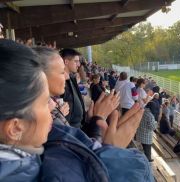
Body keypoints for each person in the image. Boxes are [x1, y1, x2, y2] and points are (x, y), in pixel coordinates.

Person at [0, 42, 153, 182]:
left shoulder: (36, 146)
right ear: (15, 128)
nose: (53, 106)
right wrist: (104, 144)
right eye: (46, 101)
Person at [60, 48, 86, 128]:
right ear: (66, 62)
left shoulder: (71, 78)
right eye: (76, 61)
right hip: (71, 130)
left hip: (78, 127)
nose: (78, 64)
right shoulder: (60, 83)